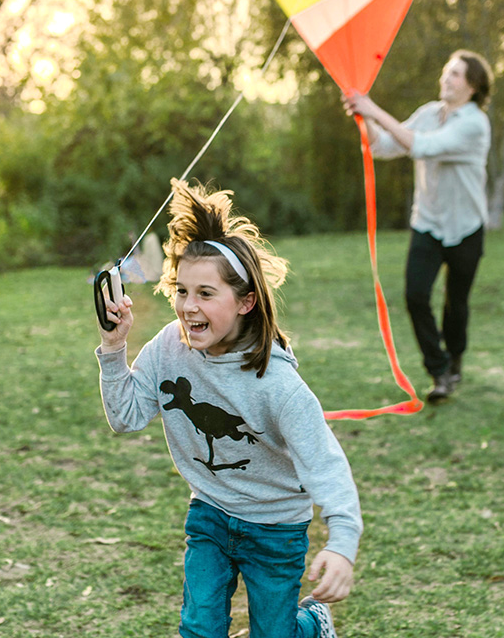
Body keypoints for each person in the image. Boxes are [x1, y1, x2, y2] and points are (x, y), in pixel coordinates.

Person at [96, 179, 360, 638]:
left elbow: (326, 466)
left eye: (205, 293)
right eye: (181, 290)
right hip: (211, 514)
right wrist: (114, 346)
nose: (186, 306)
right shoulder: (168, 348)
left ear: (245, 302)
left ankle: (311, 623)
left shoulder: (279, 385)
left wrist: (342, 544)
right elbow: (125, 417)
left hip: (276, 527)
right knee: (199, 629)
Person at [342, 49, 494, 402]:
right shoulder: (428, 113)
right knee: (415, 295)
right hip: (427, 222)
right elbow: (384, 147)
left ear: (472, 85)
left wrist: (373, 108)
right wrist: (362, 118)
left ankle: (454, 360)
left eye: (455, 74)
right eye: (446, 70)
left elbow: (423, 147)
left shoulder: (474, 123)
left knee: (456, 303)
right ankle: (439, 371)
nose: (446, 78)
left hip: (467, 227)